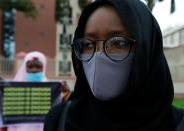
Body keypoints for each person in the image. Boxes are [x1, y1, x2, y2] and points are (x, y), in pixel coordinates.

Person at [44, 0, 184, 131]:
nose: (99, 55)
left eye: (118, 43)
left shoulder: (178, 124)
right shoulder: (60, 120)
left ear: (146, 50)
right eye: (88, 44)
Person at [0, 51, 50, 131]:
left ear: (44, 67)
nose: (34, 70)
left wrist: (65, 95)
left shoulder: (51, 91)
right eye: (30, 66)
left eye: (38, 67)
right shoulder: (14, 91)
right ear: (24, 67)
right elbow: (3, 115)